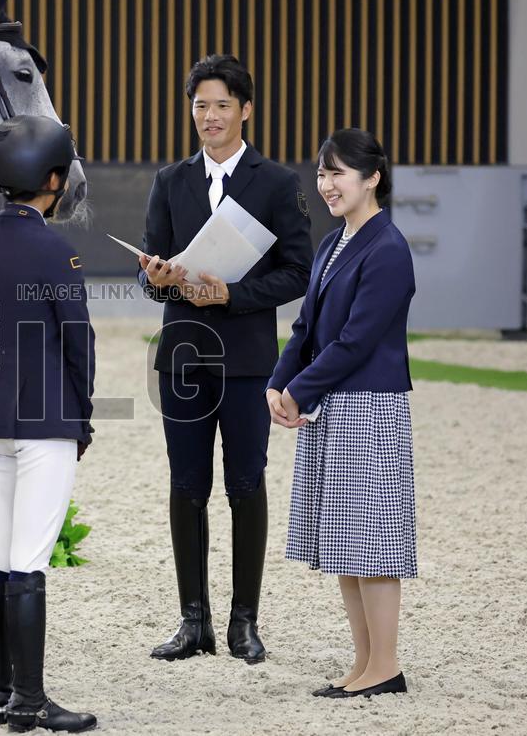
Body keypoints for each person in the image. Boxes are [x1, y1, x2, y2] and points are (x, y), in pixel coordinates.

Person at [138, 54, 313, 664]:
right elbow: (151, 280)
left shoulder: (276, 182)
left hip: (244, 361)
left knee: (245, 484)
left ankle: (244, 622)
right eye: (199, 106)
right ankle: (194, 623)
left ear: (245, 110)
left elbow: (299, 272)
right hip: (183, 359)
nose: (208, 117)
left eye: (220, 105)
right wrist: (158, 278)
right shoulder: (169, 181)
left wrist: (233, 294)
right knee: (186, 486)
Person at [266, 128, 416, 698]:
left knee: (374, 542)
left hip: (371, 407)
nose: (327, 185)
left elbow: (356, 341)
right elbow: (306, 328)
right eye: (322, 174)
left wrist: (298, 392)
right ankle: (367, 663)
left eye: (338, 173)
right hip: (332, 403)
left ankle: (388, 665)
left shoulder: (389, 248)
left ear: (372, 177)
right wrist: (278, 384)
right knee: (347, 543)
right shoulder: (332, 245)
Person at [0, 115, 96, 733]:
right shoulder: (54, 247)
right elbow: (78, 340)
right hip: (44, 417)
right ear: (50, 179)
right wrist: (84, 415)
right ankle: (31, 700)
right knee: (30, 561)